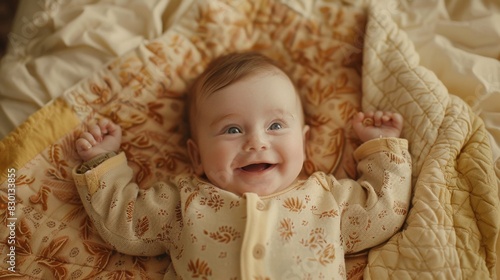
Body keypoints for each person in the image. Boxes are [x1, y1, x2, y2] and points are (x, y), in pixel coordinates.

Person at [73, 52, 411, 279]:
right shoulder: (183, 203)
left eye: (276, 126)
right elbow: (126, 224)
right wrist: (104, 163)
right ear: (197, 157)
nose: (256, 142)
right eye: (232, 129)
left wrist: (381, 149)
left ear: (304, 144)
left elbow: (383, 211)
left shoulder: (328, 200)